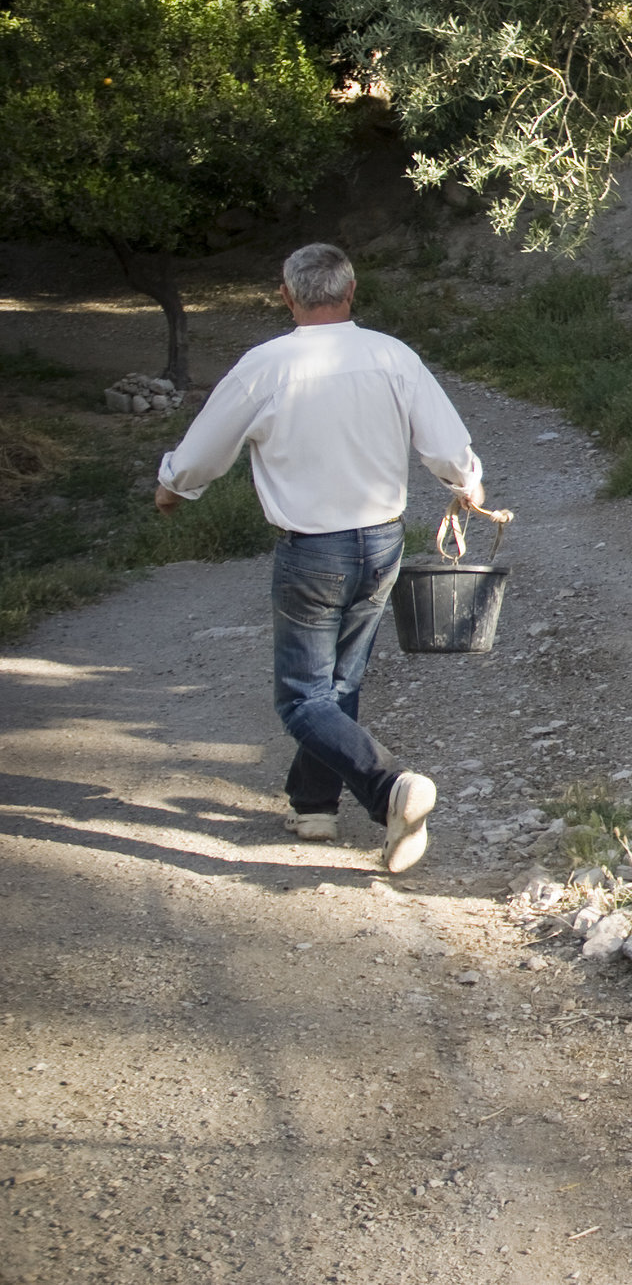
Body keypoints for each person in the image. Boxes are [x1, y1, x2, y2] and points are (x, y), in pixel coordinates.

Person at [156, 243, 491, 873]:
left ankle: (391, 786)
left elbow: (205, 449)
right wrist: (467, 482)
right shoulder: (393, 357)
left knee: (301, 697)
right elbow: (445, 442)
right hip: (382, 542)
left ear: (286, 295)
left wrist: (173, 485)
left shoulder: (266, 366)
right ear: (352, 289)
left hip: (312, 549)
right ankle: (313, 805)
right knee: (340, 682)